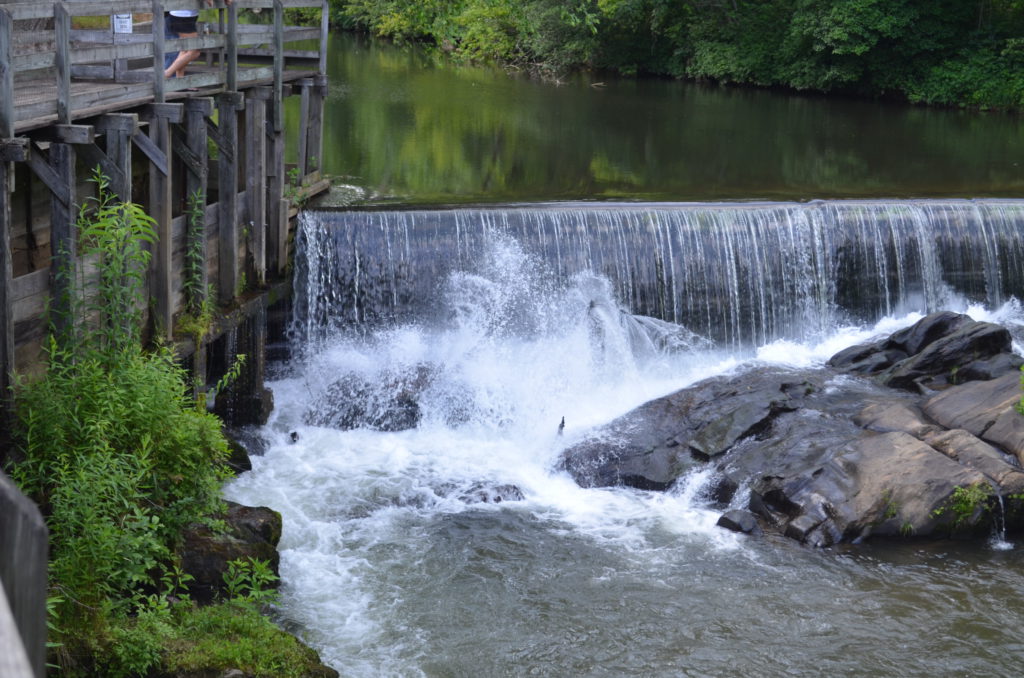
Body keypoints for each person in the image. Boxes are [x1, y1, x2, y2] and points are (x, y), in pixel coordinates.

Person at [164, 0, 232, 79]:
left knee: (185, 50)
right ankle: (166, 74)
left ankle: (179, 80)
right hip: (181, 17)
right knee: (195, 51)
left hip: (187, 16)